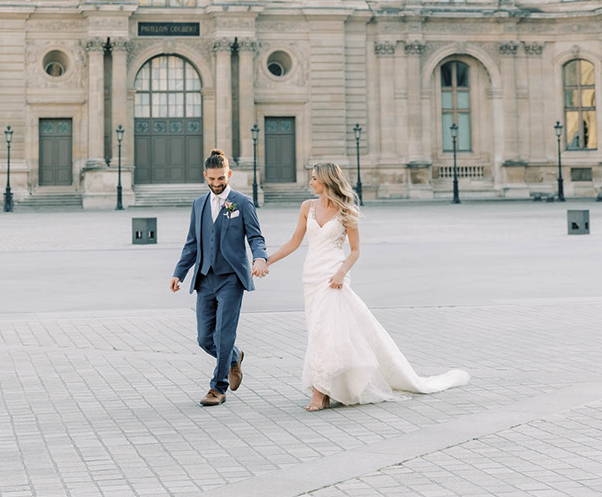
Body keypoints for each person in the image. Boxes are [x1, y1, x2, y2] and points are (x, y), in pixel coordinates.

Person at [263, 161, 470, 410]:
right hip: (311, 277)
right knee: (319, 331)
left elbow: (355, 250)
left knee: (325, 331)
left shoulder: (344, 210)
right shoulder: (307, 207)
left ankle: (320, 392)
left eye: (315, 178)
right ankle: (330, 386)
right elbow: (294, 241)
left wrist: (341, 273)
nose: (310, 182)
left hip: (333, 276)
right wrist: (267, 261)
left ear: (327, 180)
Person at [169, 149, 268, 406]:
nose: (216, 184)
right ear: (205, 176)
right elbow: (192, 243)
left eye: (221, 178)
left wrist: (259, 258)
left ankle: (217, 387)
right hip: (205, 279)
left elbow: (256, 237)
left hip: (231, 280)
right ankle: (235, 356)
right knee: (204, 339)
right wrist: (179, 273)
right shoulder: (198, 204)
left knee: (224, 335)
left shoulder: (242, 203)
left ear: (229, 174)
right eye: (212, 179)